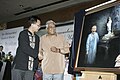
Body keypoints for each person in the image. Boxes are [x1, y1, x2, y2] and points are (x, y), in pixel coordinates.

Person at [12, 16, 41, 80]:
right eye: (38, 25)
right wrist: (37, 55)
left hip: (30, 69)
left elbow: (36, 50)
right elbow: (25, 47)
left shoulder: (37, 38)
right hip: (20, 67)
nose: (39, 27)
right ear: (32, 24)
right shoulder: (23, 34)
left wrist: (35, 66)